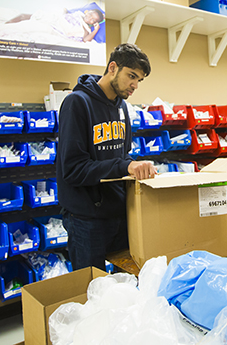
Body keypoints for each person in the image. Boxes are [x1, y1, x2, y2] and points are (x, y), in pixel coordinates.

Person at [57, 43, 157, 271]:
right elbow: (73, 169)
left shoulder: (122, 107)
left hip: (119, 214)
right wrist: (124, 166)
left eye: (139, 80)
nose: (135, 85)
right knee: (90, 292)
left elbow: (121, 156)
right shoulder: (77, 103)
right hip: (86, 220)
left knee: (124, 286)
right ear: (113, 67)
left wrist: (133, 165)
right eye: (131, 76)